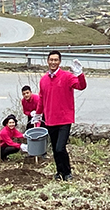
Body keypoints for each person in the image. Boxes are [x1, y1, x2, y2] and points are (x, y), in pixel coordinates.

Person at [34, 51, 86, 181]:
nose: (53, 62)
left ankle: (67, 173)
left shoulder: (67, 76)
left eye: (56, 60)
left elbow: (81, 86)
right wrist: (38, 113)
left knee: (60, 147)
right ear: (47, 61)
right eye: (51, 60)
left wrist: (80, 74)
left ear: (59, 62)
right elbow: (41, 98)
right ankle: (59, 171)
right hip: (50, 119)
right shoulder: (43, 80)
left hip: (64, 119)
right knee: (55, 149)